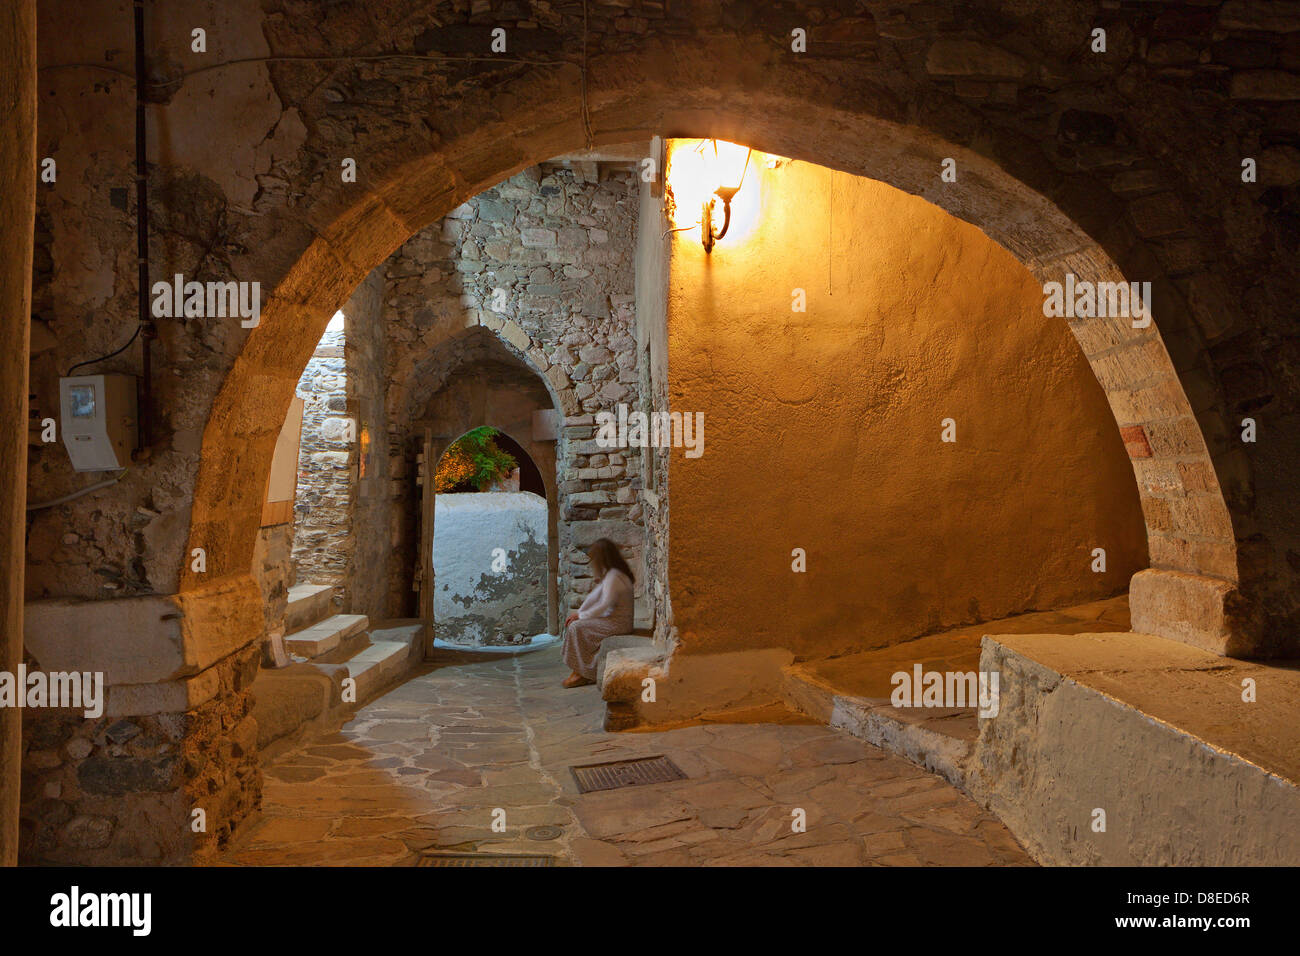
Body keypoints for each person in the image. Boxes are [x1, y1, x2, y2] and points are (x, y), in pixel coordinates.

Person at [561, 538, 634, 688]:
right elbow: (593, 598)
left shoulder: (614, 576)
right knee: (577, 625)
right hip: (613, 620)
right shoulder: (611, 574)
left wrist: (581, 616)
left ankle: (582, 673)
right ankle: (580, 671)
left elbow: (604, 604)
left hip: (619, 623)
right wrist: (579, 613)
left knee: (576, 628)